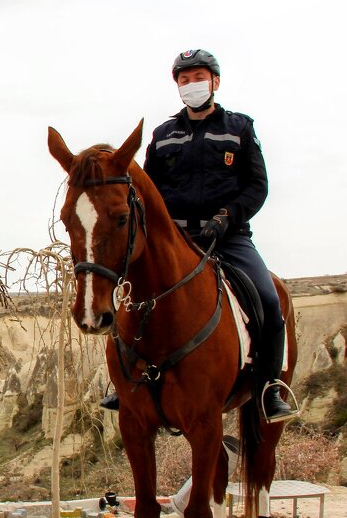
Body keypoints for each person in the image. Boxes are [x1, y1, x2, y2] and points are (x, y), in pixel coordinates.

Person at [100, 49, 294, 423]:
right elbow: (147, 193)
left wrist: (226, 218)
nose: (192, 85)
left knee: (269, 302)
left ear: (215, 82)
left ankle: (269, 388)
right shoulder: (162, 136)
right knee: (128, 302)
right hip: (176, 240)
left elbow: (257, 186)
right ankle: (125, 384)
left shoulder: (239, 128)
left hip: (229, 238)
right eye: (184, 80)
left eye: (198, 78)